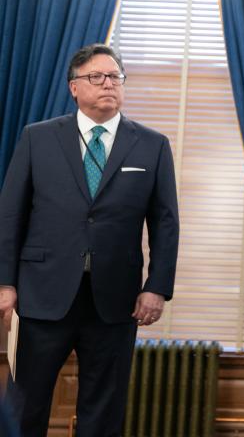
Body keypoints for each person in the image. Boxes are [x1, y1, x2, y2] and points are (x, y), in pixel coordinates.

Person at [0, 43, 179, 436]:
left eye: (114, 76)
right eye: (95, 77)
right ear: (74, 87)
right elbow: (11, 214)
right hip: (43, 293)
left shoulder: (152, 145)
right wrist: (5, 282)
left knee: (103, 410)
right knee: (25, 403)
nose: (107, 84)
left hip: (115, 300)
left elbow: (165, 223)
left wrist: (157, 288)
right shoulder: (38, 138)